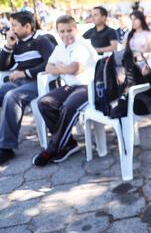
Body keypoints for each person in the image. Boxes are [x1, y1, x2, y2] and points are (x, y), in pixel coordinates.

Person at [32, 15, 97, 166]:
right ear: (58, 33)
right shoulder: (59, 48)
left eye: (70, 30)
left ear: (76, 29)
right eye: (62, 31)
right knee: (44, 102)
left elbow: (75, 69)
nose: (66, 34)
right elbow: (48, 68)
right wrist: (63, 68)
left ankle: (52, 149)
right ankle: (69, 143)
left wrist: (59, 68)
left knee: (69, 106)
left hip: (87, 87)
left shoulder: (82, 45)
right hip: (70, 86)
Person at [0, 11, 55, 165]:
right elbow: (2, 66)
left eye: (15, 25)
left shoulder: (41, 40)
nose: (11, 29)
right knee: (4, 92)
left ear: (27, 26)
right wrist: (8, 46)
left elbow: (50, 62)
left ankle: (6, 148)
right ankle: (3, 136)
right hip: (20, 83)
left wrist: (25, 73)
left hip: (38, 83)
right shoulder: (15, 42)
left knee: (12, 96)